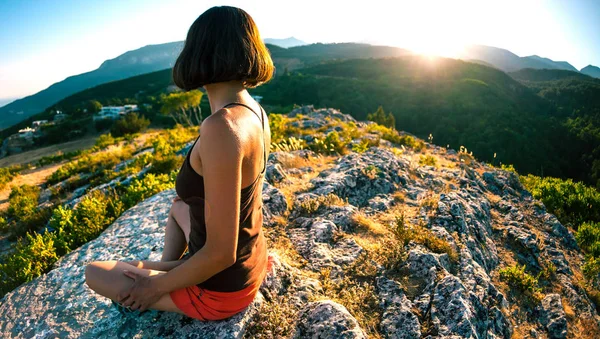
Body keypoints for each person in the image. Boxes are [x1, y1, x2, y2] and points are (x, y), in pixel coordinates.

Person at [84, 5, 273, 321]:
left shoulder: (221, 127)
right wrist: (167, 270)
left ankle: (171, 283)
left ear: (198, 53)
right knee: (179, 206)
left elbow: (221, 254)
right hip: (251, 257)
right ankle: (172, 272)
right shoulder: (255, 112)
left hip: (222, 288)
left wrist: (152, 289)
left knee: (94, 272)